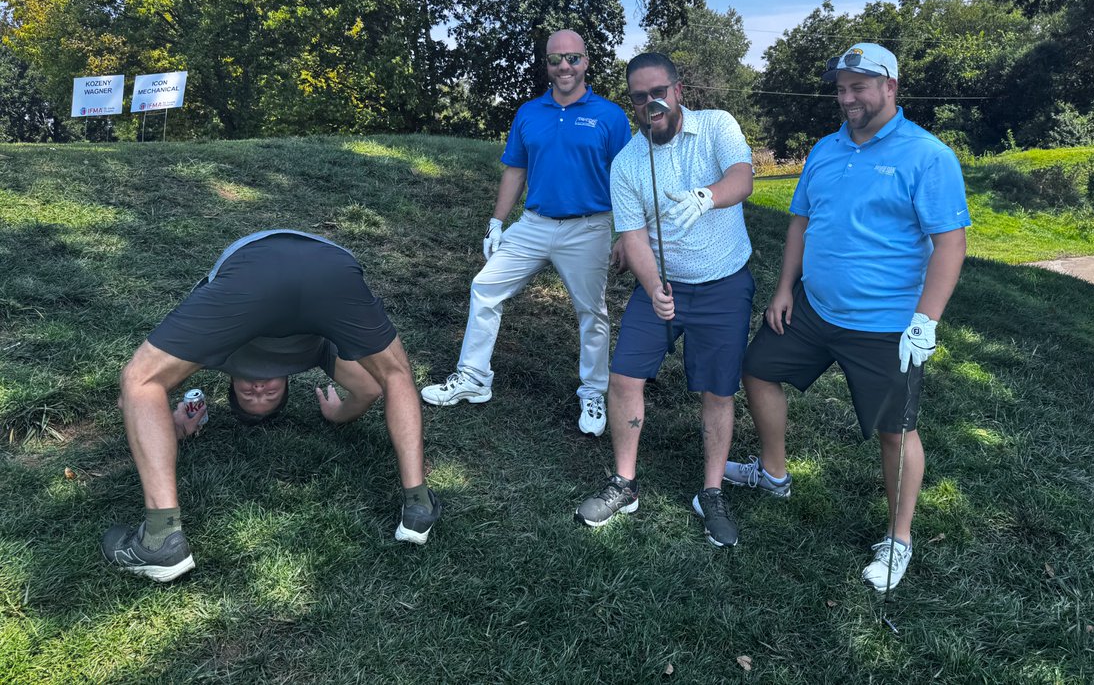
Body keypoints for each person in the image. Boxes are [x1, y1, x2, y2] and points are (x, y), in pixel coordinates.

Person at [727, 42, 969, 591]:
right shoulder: (825, 148)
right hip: (814, 308)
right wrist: (784, 289)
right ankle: (774, 474)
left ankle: (898, 539)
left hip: (886, 324)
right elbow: (800, 222)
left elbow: (950, 244)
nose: (847, 97)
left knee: (895, 431)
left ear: (891, 87)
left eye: (859, 86)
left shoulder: (927, 155)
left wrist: (925, 321)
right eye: (841, 88)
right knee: (757, 369)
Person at [102, 230, 438, 583]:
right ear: (288, 380)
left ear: (232, 382)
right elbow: (369, 388)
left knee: (139, 378)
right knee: (396, 372)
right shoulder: (313, 351)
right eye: (266, 398)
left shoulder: (218, 353)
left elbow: (137, 394)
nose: (259, 389)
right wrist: (338, 415)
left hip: (255, 267)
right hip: (331, 268)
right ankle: (419, 504)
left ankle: (160, 537)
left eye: (250, 397)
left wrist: (173, 425)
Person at [575, 52, 755, 547]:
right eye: (639, 97)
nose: (650, 103)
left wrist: (706, 197)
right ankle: (624, 484)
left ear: (678, 91)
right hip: (662, 284)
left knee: (717, 390)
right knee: (623, 377)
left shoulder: (717, 125)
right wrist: (654, 287)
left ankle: (711, 492)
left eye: (658, 92)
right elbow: (632, 237)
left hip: (724, 282)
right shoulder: (628, 162)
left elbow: (743, 178)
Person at [420, 30, 631, 436]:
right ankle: (474, 378)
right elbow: (515, 170)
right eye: (555, 59)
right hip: (533, 225)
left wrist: (625, 232)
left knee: (592, 313)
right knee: (485, 287)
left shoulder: (609, 116)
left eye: (572, 58)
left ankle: (592, 392)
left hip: (588, 228)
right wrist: (496, 222)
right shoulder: (529, 113)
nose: (564, 66)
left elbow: (626, 177)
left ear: (586, 62)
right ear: (547, 64)